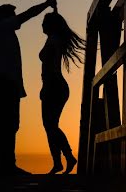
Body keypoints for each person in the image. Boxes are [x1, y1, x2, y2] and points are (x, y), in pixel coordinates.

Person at [0, 0, 56, 176]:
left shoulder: (2, 33)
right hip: (4, 83)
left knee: (8, 124)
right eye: (13, 15)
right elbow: (28, 14)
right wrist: (45, 4)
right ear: (6, 16)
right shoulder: (3, 27)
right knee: (6, 124)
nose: (16, 17)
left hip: (2, 83)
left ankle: (6, 165)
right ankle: (5, 166)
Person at [39, 9, 85, 174]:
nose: (41, 25)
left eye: (44, 23)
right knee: (50, 125)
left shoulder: (53, 40)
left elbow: (51, 68)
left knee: (50, 125)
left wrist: (45, 87)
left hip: (54, 85)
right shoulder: (53, 39)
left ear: (50, 26)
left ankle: (67, 157)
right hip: (56, 86)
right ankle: (60, 162)